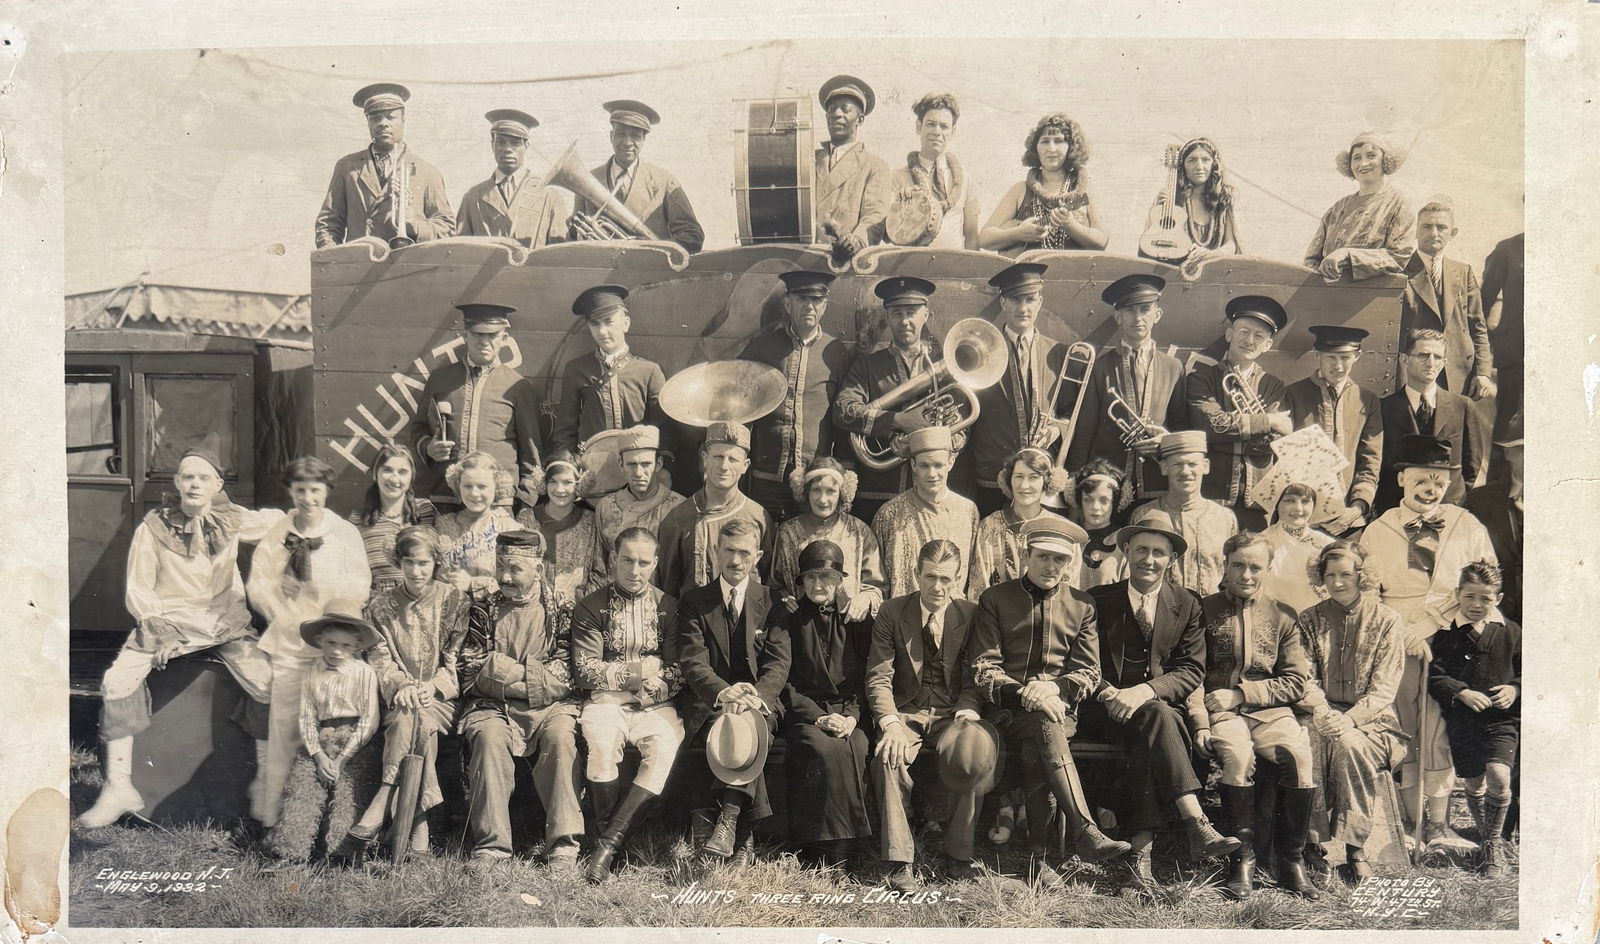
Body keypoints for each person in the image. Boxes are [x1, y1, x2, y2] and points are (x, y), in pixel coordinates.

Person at [76, 449, 286, 828]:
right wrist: (162, 633)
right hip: (170, 626)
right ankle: (119, 786)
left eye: (204, 478)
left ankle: (266, 785)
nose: (194, 484)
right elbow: (140, 591)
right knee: (117, 679)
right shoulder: (153, 528)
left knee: (269, 683)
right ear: (176, 483)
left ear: (218, 487)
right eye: (187, 477)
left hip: (225, 624)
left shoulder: (232, 520)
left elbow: (282, 522)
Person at [971, 517, 1131, 888]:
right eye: (1043, 557)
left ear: (1070, 562)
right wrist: (1025, 692)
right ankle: (1079, 833)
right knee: (1042, 726)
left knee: (1043, 730)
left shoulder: (1082, 605)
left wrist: (1053, 690)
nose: (1051, 567)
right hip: (1007, 711)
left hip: (1060, 712)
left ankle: (1040, 858)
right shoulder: (995, 599)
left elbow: (1090, 673)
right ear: (1027, 555)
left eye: (1060, 560)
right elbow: (982, 668)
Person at [1084, 511, 1238, 889]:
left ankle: (1141, 855)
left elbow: (1190, 670)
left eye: (1157, 552)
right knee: (1158, 721)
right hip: (1104, 712)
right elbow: (1083, 662)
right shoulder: (1098, 600)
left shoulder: (1186, 604)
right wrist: (1112, 694)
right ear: (1125, 552)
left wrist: (1144, 692)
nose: (1148, 560)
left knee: (1154, 717)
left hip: (1155, 712)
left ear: (1171, 559)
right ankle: (1195, 822)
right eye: (1140, 550)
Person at [1360, 434, 1497, 845]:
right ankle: (1406, 824)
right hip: (1396, 637)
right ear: (1402, 479)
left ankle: (1438, 825)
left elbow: (1483, 579)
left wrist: (1435, 621)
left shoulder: (1464, 524)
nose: (1430, 489)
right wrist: (1400, 630)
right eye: (1421, 479)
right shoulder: (1377, 531)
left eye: (1438, 481)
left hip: (1451, 637)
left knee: (1439, 728)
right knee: (1404, 724)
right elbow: (1368, 592)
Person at [1187, 532, 1318, 899]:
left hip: (1271, 712)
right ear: (1224, 566)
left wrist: (1243, 693)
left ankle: (1291, 861)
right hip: (1220, 713)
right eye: (1238, 565)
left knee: (1299, 758)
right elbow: (1192, 674)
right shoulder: (1203, 611)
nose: (1246, 574)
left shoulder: (1283, 616)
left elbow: (1295, 683)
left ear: (1268, 569)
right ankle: (1240, 861)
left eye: (1255, 567)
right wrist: (1199, 720)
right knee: (1238, 757)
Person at [247, 457, 372, 829]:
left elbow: (358, 585)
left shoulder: (344, 533)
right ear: (290, 491)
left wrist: (331, 614)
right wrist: (281, 613)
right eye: (300, 490)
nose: (308, 498)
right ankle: (275, 818)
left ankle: (328, 822)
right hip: (289, 643)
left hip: (333, 648)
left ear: (326, 491)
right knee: (285, 727)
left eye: (315, 490)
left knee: (334, 730)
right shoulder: (279, 532)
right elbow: (259, 583)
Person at [864, 539, 989, 891]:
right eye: (930, 577)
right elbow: (879, 676)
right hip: (907, 710)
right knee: (887, 757)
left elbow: (974, 675)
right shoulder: (892, 611)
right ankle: (900, 861)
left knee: (971, 752)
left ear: (958, 578)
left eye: (946, 579)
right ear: (916, 574)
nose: (938, 587)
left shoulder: (970, 614)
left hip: (952, 711)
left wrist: (968, 708)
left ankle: (959, 857)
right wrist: (889, 723)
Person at [667, 518, 793, 866]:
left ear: (758, 557)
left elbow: (778, 662)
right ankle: (735, 833)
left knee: (753, 727)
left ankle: (731, 820)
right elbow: (694, 661)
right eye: (729, 551)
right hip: (711, 700)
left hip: (758, 700)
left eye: (744, 553)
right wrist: (725, 694)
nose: (735, 560)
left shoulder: (771, 601)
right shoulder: (695, 601)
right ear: (715, 552)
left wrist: (756, 697)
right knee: (709, 728)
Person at [456, 530, 584, 869]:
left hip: (551, 708)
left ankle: (563, 846)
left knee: (560, 738)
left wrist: (502, 673)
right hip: (494, 707)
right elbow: (470, 667)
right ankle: (492, 847)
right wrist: (529, 677)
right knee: (487, 737)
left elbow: (569, 670)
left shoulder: (562, 609)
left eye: (514, 569)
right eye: (500, 567)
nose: (505, 577)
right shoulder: (483, 608)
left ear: (538, 570)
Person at [570, 527, 684, 883]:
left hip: (655, 702)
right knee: (603, 745)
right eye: (627, 560)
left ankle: (607, 845)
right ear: (612, 560)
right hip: (606, 701)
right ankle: (610, 838)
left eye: (643, 562)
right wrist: (642, 672)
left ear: (655, 564)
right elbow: (586, 670)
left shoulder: (668, 608)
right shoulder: (591, 606)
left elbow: (679, 667)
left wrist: (653, 684)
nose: (635, 570)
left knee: (665, 746)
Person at [350, 527, 469, 858]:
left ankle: (385, 797)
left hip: (442, 700)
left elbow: (456, 661)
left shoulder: (455, 601)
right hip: (402, 701)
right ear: (397, 563)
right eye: (409, 563)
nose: (416, 572)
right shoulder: (380, 607)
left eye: (424, 563)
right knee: (413, 720)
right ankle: (418, 827)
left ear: (435, 564)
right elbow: (380, 660)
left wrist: (434, 686)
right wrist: (401, 686)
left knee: (420, 716)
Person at [1294, 540, 1406, 883]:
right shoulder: (1309, 618)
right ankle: (1311, 845)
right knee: (1306, 743)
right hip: (1318, 713)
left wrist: (1349, 719)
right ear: (1320, 577)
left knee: (1349, 745)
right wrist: (1322, 711)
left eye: (1346, 574)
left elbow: (1385, 686)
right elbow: (1303, 674)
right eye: (1330, 575)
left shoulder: (1387, 620)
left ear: (1363, 574)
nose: (1338, 582)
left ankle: (1355, 848)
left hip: (1372, 720)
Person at [776, 540, 873, 863]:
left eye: (827, 578)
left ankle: (848, 848)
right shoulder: (789, 618)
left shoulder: (855, 621)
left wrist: (852, 717)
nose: (819, 585)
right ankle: (817, 848)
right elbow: (783, 682)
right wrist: (818, 717)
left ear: (840, 581)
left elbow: (864, 680)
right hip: (805, 712)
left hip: (847, 710)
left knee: (856, 745)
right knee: (821, 748)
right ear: (801, 582)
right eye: (812, 578)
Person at [1427, 560, 1520, 878]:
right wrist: (1461, 692)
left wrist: (1514, 688)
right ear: (1457, 594)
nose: (1477, 605)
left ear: (1499, 597)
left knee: (1499, 775)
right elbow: (1435, 677)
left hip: (1501, 721)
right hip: (1463, 723)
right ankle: (1485, 838)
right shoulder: (1445, 635)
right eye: (1469, 597)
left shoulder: (1511, 632)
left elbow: (1527, 671)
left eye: (1486, 598)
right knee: (1475, 781)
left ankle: (1493, 845)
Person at [834, 276, 954, 519]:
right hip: (879, 490)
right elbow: (843, 411)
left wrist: (928, 439)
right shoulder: (867, 365)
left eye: (911, 312)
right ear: (887, 318)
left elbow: (961, 427)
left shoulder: (948, 365)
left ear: (926, 315)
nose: (905, 321)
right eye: (897, 313)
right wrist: (898, 421)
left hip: (931, 492)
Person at [406, 303, 544, 508]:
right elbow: (419, 428)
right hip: (447, 499)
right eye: (478, 334)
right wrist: (429, 447)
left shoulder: (518, 386)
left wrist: (526, 505)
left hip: (499, 502)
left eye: (492, 335)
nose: (484, 342)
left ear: (504, 339)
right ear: (465, 335)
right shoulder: (440, 379)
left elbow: (531, 453)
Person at [737, 270, 851, 519]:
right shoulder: (761, 346)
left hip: (816, 482)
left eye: (816, 301)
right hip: (766, 478)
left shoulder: (836, 352)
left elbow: (843, 416)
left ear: (825, 306)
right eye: (801, 299)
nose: (809, 307)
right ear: (788, 304)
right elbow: (738, 407)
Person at [267, 614, 381, 863]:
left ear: (357, 646)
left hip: (355, 742)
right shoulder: (312, 673)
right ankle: (290, 853)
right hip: (322, 738)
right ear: (319, 641)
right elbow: (307, 718)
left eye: (345, 646)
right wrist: (318, 756)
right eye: (331, 643)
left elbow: (369, 721)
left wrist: (340, 760)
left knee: (347, 789)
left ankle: (342, 853)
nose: (337, 651)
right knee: (303, 780)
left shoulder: (364, 673)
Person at [1067, 275, 1186, 507]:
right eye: (1130, 310)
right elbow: (1084, 433)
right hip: (1108, 485)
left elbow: (1181, 427)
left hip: (1156, 483)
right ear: (1118, 316)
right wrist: (1075, 479)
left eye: (1145, 309)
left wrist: (1165, 441)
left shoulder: (1173, 367)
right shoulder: (1099, 367)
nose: (1138, 318)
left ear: (1157, 315)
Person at [970, 262, 1070, 516]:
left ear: (1040, 301)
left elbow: (1070, 414)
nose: (1023, 308)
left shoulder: (1059, 352)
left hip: (1040, 478)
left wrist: (1055, 431)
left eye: (1030, 299)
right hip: (993, 478)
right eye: (1015, 299)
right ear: (1003, 303)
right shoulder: (982, 351)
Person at [1187, 295, 1292, 529]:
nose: (1249, 340)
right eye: (1244, 331)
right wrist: (1267, 420)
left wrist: (1227, 438)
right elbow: (1210, 427)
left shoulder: (1273, 385)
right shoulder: (1201, 378)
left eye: (1259, 336)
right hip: (1211, 493)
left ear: (1267, 345)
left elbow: (1270, 442)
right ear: (1229, 334)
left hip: (1256, 501)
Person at [315, 83, 454, 249]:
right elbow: (328, 224)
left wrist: (415, 225)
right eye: (375, 118)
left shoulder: (427, 172)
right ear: (368, 122)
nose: (383, 123)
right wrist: (334, 258)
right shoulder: (347, 167)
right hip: (358, 266)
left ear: (403, 119)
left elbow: (447, 229)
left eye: (390, 116)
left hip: (407, 267)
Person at [549, 285, 671, 464]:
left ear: (626, 323)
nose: (602, 331)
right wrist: (569, 465)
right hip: (593, 472)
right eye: (594, 324)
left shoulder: (649, 371)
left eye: (609, 321)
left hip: (639, 472)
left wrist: (663, 467)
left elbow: (664, 429)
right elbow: (565, 431)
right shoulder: (576, 369)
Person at [1280, 325, 1382, 534]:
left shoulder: (1368, 400)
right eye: (1330, 358)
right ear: (1318, 355)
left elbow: (1370, 461)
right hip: (1301, 518)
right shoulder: (1292, 394)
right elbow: (1284, 458)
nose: (1338, 366)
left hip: (1349, 519)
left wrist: (1356, 508)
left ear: (1357, 356)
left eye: (1345, 358)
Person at [1374, 329, 1485, 514]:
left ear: (1444, 363)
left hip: (1447, 509)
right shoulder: (1384, 408)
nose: (1431, 363)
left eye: (1437, 357)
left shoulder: (1462, 406)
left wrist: (1454, 500)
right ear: (1404, 360)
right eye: (1423, 355)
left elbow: (1472, 465)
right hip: (1396, 510)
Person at [570, 100, 704, 252]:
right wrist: (575, 231)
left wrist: (653, 251)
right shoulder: (587, 179)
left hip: (649, 274)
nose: (628, 142)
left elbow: (692, 237)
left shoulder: (665, 182)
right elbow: (573, 243)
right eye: (621, 134)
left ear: (644, 140)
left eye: (635, 136)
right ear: (611, 136)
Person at [655, 421, 773, 592]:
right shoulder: (678, 518)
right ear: (704, 458)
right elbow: (667, 586)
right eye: (718, 457)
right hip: (692, 616)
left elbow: (768, 584)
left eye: (733, 459)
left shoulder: (758, 517)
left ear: (745, 466)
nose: (724, 466)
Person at [770, 456, 886, 622]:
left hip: (847, 626)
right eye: (817, 490)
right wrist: (784, 599)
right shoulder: (787, 532)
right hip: (801, 625)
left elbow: (878, 586)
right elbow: (775, 584)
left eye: (831, 491)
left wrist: (865, 599)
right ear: (806, 491)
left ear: (842, 493)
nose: (823, 499)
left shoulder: (859, 531)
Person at [872, 426, 980, 600]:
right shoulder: (889, 514)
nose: (932, 474)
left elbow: (975, 576)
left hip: (952, 618)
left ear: (951, 462)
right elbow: (877, 580)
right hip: (901, 619)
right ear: (913, 465)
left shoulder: (967, 511)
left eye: (938, 465)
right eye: (924, 465)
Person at [1402, 198, 1494, 398]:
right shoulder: (1400, 272)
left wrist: (1483, 372)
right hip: (1414, 373)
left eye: (1441, 227)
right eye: (1426, 226)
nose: (1434, 233)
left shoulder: (1464, 272)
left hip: (1458, 373)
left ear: (1452, 233)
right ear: (1415, 232)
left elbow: (1477, 326)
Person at [979, 112, 1108, 256]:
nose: (1051, 149)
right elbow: (984, 238)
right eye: (1045, 141)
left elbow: (1102, 241)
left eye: (1059, 141)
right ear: (1035, 148)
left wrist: (1070, 225)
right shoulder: (1020, 189)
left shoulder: (1083, 189)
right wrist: (1017, 234)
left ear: (1071, 146)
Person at [1129, 431, 1239, 596]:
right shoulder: (1145, 515)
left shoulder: (1225, 518)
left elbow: (1231, 573)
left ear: (1206, 466)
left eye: (1192, 464)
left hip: (1209, 612)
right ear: (1164, 467)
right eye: (1177, 464)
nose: (1185, 471)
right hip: (1161, 613)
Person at [1304, 131, 1414, 281]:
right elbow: (1311, 260)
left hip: (1372, 296)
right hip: (1327, 295)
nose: (1363, 163)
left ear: (1385, 160)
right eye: (1356, 158)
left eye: (1371, 155)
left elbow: (1398, 257)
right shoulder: (1337, 209)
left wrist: (1347, 254)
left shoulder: (1400, 204)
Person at [454, 108, 567, 248]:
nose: (507, 149)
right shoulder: (473, 197)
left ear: (526, 145)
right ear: (492, 145)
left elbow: (559, 254)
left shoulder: (550, 196)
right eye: (501, 142)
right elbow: (460, 251)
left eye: (515, 143)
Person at [881, 92, 978, 249]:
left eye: (944, 126)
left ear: (953, 132)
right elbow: (886, 235)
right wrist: (902, 210)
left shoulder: (965, 179)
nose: (937, 132)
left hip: (952, 266)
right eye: (931, 124)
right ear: (919, 127)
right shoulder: (898, 177)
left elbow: (972, 237)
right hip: (911, 265)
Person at [968, 447, 1069, 598]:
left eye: (1033, 477)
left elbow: (1068, 587)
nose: (1024, 485)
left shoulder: (1060, 528)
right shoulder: (990, 525)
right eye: (1019, 476)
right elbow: (979, 585)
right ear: (1009, 479)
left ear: (1047, 481)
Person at [813, 75, 890, 261]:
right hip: (804, 258)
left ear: (860, 119)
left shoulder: (875, 166)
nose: (837, 114)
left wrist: (856, 241)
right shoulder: (807, 161)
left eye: (846, 110)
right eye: (832, 109)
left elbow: (875, 216)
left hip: (846, 264)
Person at [349, 443, 438, 597]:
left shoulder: (426, 511)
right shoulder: (358, 519)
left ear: (411, 477)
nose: (395, 478)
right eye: (387, 470)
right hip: (378, 604)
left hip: (423, 600)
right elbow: (352, 571)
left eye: (402, 472)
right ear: (376, 474)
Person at [590, 425, 686, 566]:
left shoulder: (679, 507)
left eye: (646, 464)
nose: (638, 472)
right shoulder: (605, 507)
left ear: (658, 464)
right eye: (631, 464)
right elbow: (600, 564)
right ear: (620, 464)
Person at [435, 452, 524, 597]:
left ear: (496, 487)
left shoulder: (510, 529)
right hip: (449, 612)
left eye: (482, 486)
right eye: (468, 486)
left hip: (493, 612)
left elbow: (519, 584)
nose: (474, 493)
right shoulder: (443, 524)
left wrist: (472, 584)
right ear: (458, 486)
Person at [1141, 136, 1242, 263]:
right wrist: (1159, 210)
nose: (1199, 166)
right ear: (1183, 166)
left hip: (1213, 270)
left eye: (1205, 160)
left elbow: (1231, 245)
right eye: (1192, 160)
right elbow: (1150, 244)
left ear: (1214, 164)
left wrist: (1209, 254)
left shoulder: (1224, 199)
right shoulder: (1172, 198)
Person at [518, 458, 603, 608]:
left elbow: (599, 569)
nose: (559, 489)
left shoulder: (589, 520)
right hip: (534, 605)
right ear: (544, 483)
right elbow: (518, 564)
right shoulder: (527, 518)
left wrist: (584, 604)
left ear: (579, 485)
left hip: (579, 608)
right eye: (553, 482)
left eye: (567, 482)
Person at [1463, 411, 1523, 623]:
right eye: (1522, 450)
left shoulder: (1562, 504)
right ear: (1508, 454)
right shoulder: (1480, 501)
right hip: (1493, 619)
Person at [1258, 482, 1335, 614]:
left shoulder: (1325, 545)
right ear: (1277, 504)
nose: (1298, 509)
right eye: (1290, 500)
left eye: (1305, 501)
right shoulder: (1261, 542)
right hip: (1272, 619)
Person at [1481, 230, 1524, 444]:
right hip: (1515, 351)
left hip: (1557, 350)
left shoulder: (1569, 247)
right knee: (1508, 417)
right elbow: (1483, 301)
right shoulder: (1508, 249)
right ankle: (1499, 477)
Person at [1069, 460, 1129, 591]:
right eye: (1088, 499)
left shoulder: (1123, 542)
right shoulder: (1069, 538)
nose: (1095, 507)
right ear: (1080, 501)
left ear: (1114, 502)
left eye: (1104, 500)